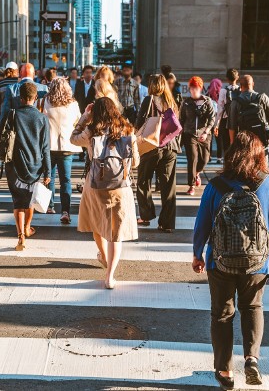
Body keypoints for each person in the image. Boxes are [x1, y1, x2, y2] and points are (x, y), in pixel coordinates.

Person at [193, 131, 269, 390]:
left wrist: (197, 253)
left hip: (219, 261)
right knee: (253, 307)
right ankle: (252, 359)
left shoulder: (216, 185)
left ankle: (225, 370)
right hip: (257, 262)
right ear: (260, 156)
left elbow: (202, 222)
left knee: (222, 314)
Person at [71, 97, 140, 289]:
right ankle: (110, 276)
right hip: (120, 186)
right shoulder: (128, 130)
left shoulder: (92, 131)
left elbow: (73, 138)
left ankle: (102, 255)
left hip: (95, 185)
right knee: (115, 233)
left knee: (97, 223)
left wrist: (84, 117)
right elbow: (135, 163)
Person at [0, 83, 51, 251]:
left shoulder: (12, 114)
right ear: (36, 98)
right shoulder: (42, 118)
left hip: (14, 164)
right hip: (35, 165)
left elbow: (1, 136)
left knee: (17, 201)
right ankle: (28, 228)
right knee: (29, 200)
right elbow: (45, 148)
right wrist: (48, 171)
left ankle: (20, 235)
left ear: (20, 98)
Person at [135, 75, 180, 232]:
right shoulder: (171, 102)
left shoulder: (149, 100)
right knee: (168, 186)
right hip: (170, 147)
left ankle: (146, 215)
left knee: (143, 181)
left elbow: (139, 122)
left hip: (151, 146)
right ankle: (167, 223)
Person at [43, 78, 83, 222]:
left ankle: (49, 205)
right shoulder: (73, 104)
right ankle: (65, 211)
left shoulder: (44, 102)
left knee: (50, 177)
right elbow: (79, 122)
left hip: (48, 146)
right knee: (65, 180)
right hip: (67, 146)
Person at [180, 76, 216, 196]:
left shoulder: (207, 101)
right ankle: (191, 185)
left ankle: (197, 173)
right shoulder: (186, 103)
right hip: (189, 134)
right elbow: (181, 119)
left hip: (204, 134)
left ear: (200, 88)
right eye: (192, 88)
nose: (193, 90)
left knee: (205, 159)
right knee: (192, 158)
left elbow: (212, 118)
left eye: (196, 88)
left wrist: (206, 132)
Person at [228, 75, 269, 149]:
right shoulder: (263, 98)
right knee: (262, 160)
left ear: (240, 86)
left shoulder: (235, 102)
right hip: (261, 140)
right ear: (253, 84)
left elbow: (231, 126)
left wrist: (232, 142)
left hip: (244, 140)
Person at [0, 63, 49, 128]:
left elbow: (5, 112)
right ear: (33, 74)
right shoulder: (44, 89)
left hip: (17, 128)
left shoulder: (11, 88)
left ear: (20, 73)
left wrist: (2, 128)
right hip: (38, 128)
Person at [216, 69, 240, 164]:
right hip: (238, 121)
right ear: (237, 78)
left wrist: (216, 124)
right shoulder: (240, 90)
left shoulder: (223, 91)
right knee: (237, 145)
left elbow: (220, 108)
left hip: (226, 121)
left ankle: (227, 165)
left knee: (226, 145)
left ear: (227, 78)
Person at [0, 62, 20, 127]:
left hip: (4, 115)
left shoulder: (1, 84)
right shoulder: (20, 82)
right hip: (19, 115)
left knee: (4, 135)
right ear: (17, 71)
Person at [208, 78, 223, 164]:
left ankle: (209, 156)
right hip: (218, 119)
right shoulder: (221, 94)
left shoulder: (208, 94)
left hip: (210, 119)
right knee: (219, 140)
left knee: (209, 139)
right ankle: (219, 158)